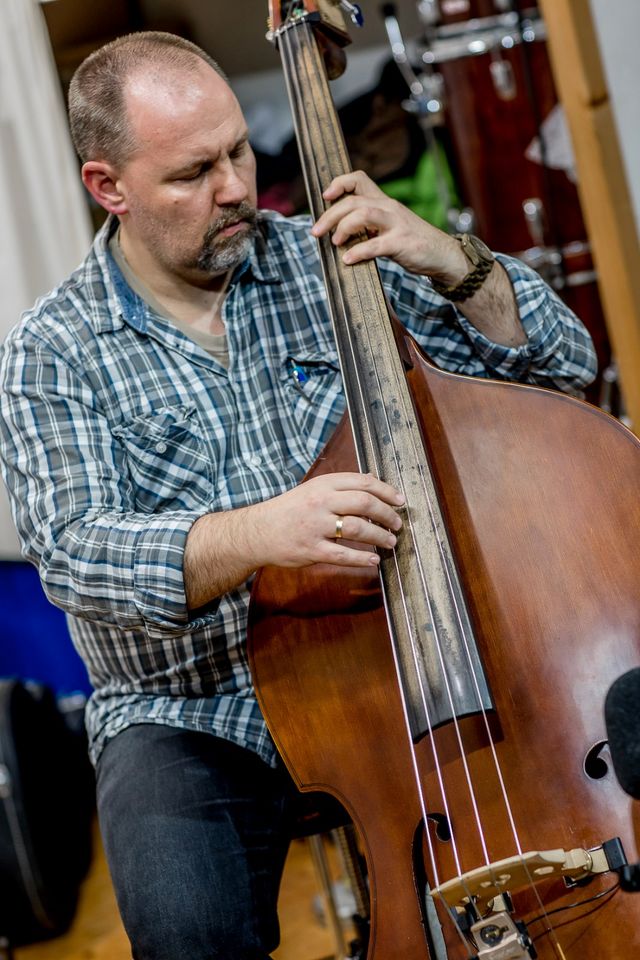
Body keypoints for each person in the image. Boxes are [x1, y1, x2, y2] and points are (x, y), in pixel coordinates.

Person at [0, 30, 596, 960]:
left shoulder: (333, 257)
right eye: (193, 172)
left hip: (388, 664)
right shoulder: (53, 350)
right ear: (108, 187)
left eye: (237, 150)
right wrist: (259, 535)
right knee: (189, 933)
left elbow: (566, 378)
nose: (237, 187)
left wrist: (450, 259)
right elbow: (77, 554)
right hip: (192, 709)